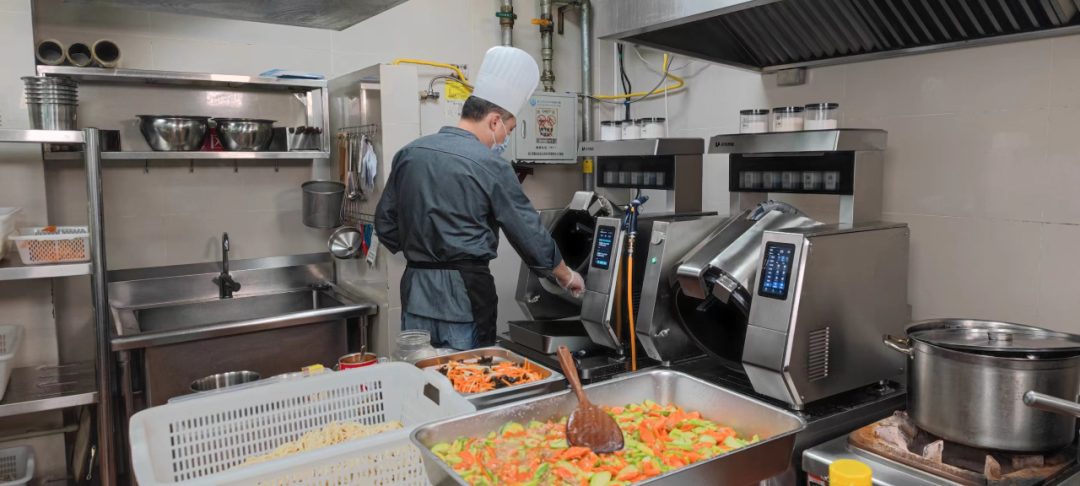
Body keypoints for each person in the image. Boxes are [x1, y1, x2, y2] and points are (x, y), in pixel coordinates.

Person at [375, 46, 586, 351]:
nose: (506, 137)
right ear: (494, 121)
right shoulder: (491, 165)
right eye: (509, 129)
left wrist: (423, 251)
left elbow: (385, 226)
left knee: (421, 373)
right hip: (465, 297)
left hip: (415, 293)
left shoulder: (409, 153)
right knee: (469, 374)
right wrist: (566, 276)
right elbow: (527, 233)